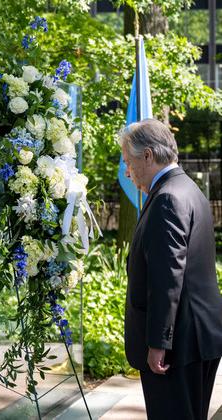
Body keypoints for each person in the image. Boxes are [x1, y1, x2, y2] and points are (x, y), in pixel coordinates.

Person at [120, 118, 222, 419]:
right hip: (196, 338)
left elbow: (167, 277)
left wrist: (158, 343)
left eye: (128, 162)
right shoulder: (187, 188)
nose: (127, 171)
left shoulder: (167, 198)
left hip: (179, 345)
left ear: (147, 155)